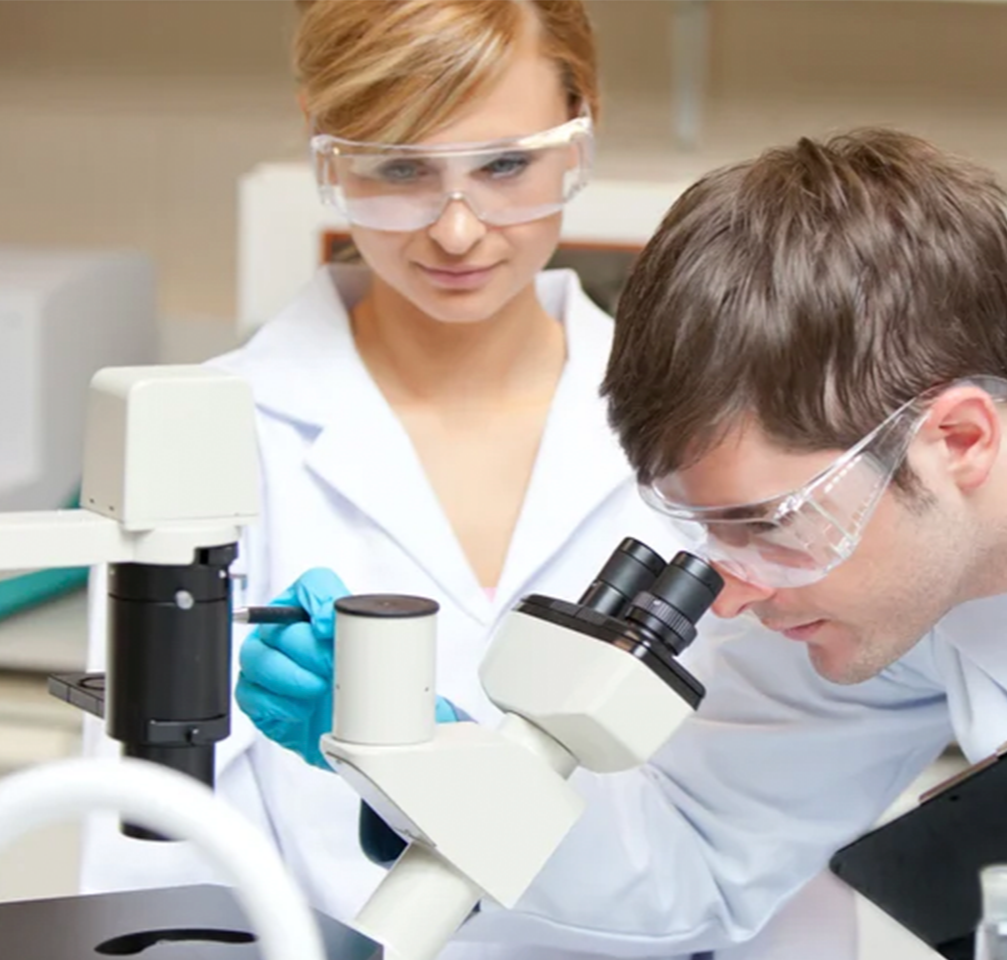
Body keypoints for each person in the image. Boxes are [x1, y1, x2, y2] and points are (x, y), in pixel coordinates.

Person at [237, 126, 1007, 957]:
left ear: (956, 438)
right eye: (701, 533)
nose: (730, 596)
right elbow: (700, 854)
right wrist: (428, 767)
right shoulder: (894, 544)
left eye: (762, 526)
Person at [75, 4, 858, 960]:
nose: (456, 230)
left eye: (504, 167)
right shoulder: (205, 432)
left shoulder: (723, 438)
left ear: (585, 123)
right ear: (324, 141)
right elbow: (153, 859)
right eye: (400, 168)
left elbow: (761, 848)